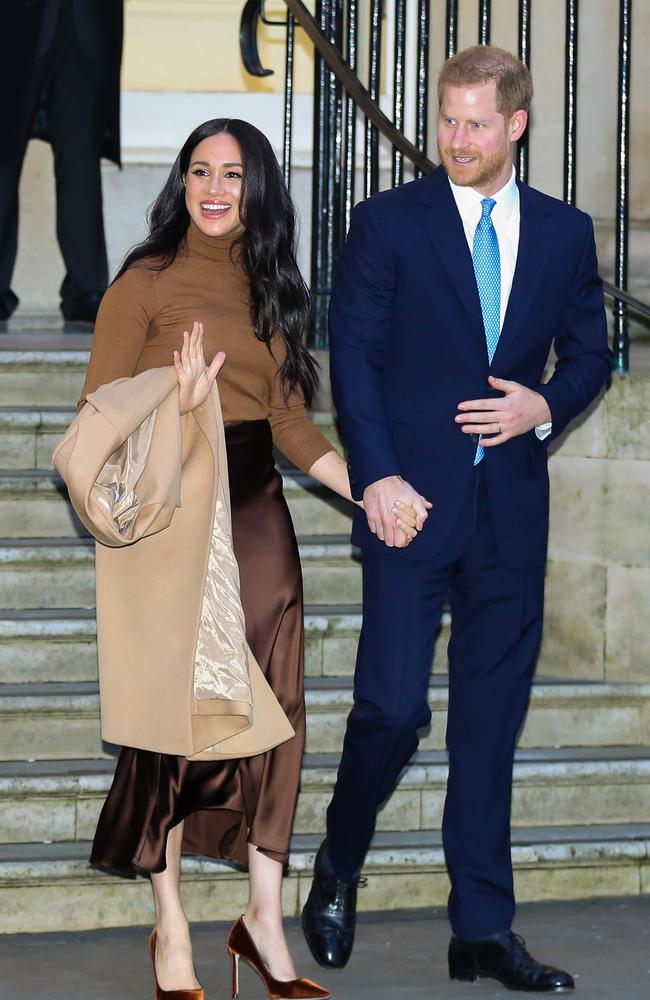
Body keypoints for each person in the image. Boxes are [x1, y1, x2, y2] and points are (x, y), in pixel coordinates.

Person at [75, 117, 424, 999]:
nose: (215, 187)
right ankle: (170, 929)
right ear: (183, 184)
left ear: (259, 187)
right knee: (171, 722)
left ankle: (264, 916)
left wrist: (371, 489)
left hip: (260, 508)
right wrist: (174, 396)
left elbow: (292, 424)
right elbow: (96, 415)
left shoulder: (277, 291)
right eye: (199, 170)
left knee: (279, 710)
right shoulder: (143, 283)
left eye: (232, 173)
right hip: (170, 511)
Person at [301, 45, 612, 993]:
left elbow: (595, 351)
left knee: (489, 725)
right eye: (448, 120)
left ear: (517, 125)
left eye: (478, 123)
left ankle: (482, 928)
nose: (458, 139)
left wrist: (543, 406)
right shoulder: (387, 223)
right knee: (391, 707)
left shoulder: (564, 232)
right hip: (409, 507)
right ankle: (338, 861)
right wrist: (376, 478)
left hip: (511, 514)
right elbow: (350, 357)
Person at [0, 0, 122, 323]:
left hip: (85, 19)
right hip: (13, 20)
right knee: (4, 157)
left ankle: (87, 290)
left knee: (81, 163)